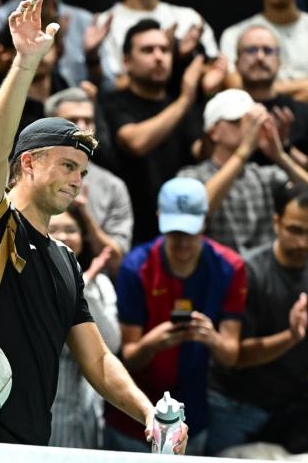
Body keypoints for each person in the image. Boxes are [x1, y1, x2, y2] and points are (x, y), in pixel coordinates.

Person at [0, 0, 183, 450]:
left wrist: (147, 412)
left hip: (32, 444)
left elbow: (97, 359)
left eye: (83, 171)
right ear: (30, 163)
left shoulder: (65, 263)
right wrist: (25, 64)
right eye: (68, 166)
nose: (78, 181)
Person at [207, 184, 308, 461]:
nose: (304, 243)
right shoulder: (247, 271)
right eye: (295, 230)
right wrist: (290, 337)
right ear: (276, 223)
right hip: (235, 405)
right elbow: (234, 356)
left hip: (290, 406)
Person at [105, 177, 245, 455]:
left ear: (205, 221)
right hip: (132, 418)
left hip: (192, 414)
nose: (182, 242)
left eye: (190, 232)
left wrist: (212, 339)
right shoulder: (137, 268)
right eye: (175, 232)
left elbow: (230, 355)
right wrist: (153, 342)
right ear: (159, 219)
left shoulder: (229, 268)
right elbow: (130, 355)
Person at [99, 19, 204, 244]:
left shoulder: (181, 106)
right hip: (132, 229)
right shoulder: (113, 103)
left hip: (179, 226)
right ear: (126, 61)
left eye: (165, 50)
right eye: (148, 50)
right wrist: (186, 98)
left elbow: (201, 152)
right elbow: (135, 142)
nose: (159, 57)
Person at [178, 89, 308, 253]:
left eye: (252, 122)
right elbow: (194, 210)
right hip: (220, 271)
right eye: (238, 121)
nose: (248, 128)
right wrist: (244, 150)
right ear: (213, 132)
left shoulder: (264, 176)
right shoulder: (192, 176)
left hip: (262, 275)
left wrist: (280, 155)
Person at [48, 206, 120, 449]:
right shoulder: (29, 276)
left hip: (86, 413)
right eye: (54, 229)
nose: (64, 236)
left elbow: (112, 344)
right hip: (45, 410)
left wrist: (84, 286)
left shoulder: (99, 284)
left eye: (71, 230)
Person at [45, 88, 132, 268]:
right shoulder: (23, 174)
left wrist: (85, 213)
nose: (83, 128)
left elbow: (116, 262)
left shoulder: (112, 186)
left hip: (94, 288)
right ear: (49, 126)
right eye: (73, 121)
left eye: (88, 121)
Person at [232, 24, 308, 167]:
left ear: (280, 62)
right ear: (236, 63)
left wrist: (285, 146)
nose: (260, 57)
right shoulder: (222, 113)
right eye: (251, 50)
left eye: (268, 50)